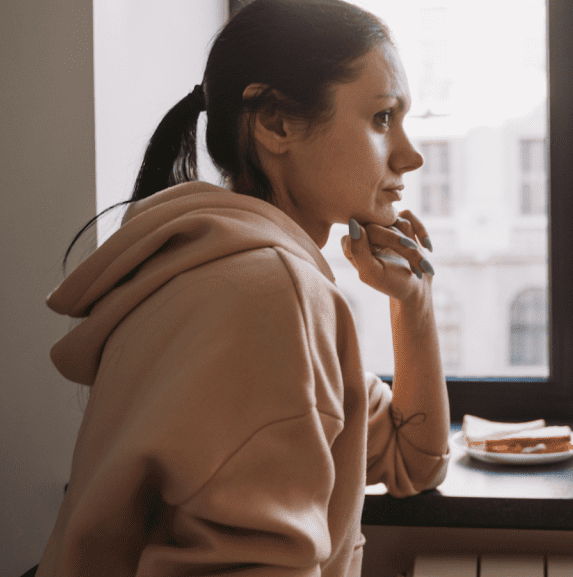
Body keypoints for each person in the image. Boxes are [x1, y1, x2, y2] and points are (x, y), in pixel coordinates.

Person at [33, 1, 450, 575]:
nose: (411, 154)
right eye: (382, 118)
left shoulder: (229, 271)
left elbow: (413, 460)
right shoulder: (270, 294)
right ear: (276, 123)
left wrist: (413, 303)